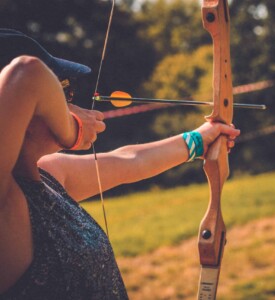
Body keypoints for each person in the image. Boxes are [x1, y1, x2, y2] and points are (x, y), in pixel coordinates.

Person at [0, 29, 240, 299]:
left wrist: (199, 140)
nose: (71, 103)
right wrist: (72, 130)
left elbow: (130, 160)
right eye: (62, 92)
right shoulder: (5, 203)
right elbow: (27, 74)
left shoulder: (47, 175)